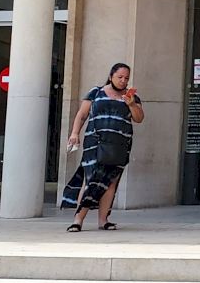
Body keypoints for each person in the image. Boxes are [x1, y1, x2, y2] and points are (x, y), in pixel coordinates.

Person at [62, 63, 145, 231]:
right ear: (111, 76)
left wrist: (131, 104)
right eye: (120, 77)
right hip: (95, 143)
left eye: (126, 78)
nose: (123, 81)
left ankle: (103, 220)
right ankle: (78, 220)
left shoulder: (131, 97)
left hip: (119, 145)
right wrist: (75, 133)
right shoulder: (96, 92)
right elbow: (82, 115)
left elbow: (139, 118)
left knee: (111, 181)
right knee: (90, 179)